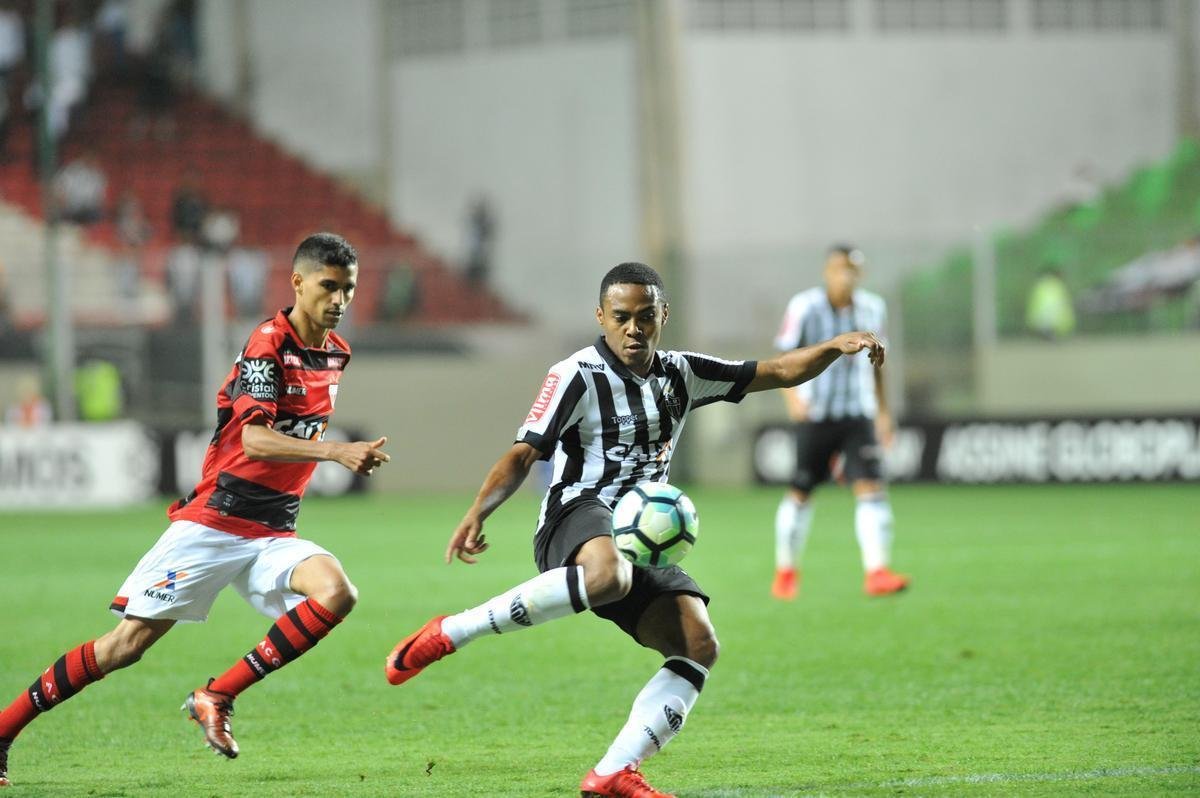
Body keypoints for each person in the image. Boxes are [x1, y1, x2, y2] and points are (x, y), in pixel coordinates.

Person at [383, 262, 884, 797]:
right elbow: (524, 452)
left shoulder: (683, 372)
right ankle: (453, 630)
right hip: (575, 515)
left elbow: (778, 371)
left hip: (638, 540)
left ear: (663, 315)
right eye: (621, 318)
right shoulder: (575, 374)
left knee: (698, 643)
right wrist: (477, 511)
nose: (634, 329)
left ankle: (615, 771)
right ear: (601, 317)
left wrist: (835, 346)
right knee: (609, 574)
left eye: (646, 317)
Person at [0, 233, 391, 788]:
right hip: (215, 522)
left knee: (337, 592)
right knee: (124, 648)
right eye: (329, 286)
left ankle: (217, 694)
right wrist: (334, 450)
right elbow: (255, 441)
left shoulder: (336, 353)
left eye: (348, 288)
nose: (340, 299)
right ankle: (3, 731)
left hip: (273, 528)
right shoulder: (265, 345)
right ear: (298, 282)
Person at [770, 245, 908, 601]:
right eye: (838, 268)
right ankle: (786, 570)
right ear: (826, 272)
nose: (845, 275)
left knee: (872, 488)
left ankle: (876, 571)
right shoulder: (805, 307)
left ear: (859, 274)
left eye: (851, 269)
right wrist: (793, 399)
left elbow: (879, 363)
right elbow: (784, 353)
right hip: (816, 414)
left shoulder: (873, 307)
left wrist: (883, 411)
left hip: (857, 414)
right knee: (801, 491)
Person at [1025, 267, 1075, 340]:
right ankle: (1048, 333)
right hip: (1054, 316)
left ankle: (1045, 333)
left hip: (1041, 316)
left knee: (1046, 322)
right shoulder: (1058, 285)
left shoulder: (1040, 284)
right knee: (1051, 322)